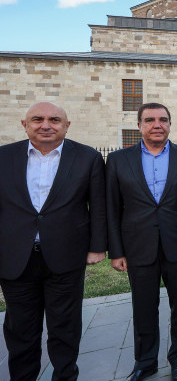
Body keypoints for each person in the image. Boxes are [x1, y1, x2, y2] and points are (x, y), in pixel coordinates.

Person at [0, 101, 107, 381]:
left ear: (66, 125)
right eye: (37, 119)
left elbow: (97, 205)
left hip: (66, 256)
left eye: (54, 120)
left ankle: (65, 376)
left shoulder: (87, 157)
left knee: (65, 328)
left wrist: (97, 246)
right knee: (20, 330)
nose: (46, 125)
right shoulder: (3, 157)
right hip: (15, 258)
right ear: (24, 125)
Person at [106, 103, 177, 381]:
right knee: (143, 308)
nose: (157, 124)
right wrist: (116, 251)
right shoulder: (118, 160)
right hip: (138, 247)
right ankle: (145, 362)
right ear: (139, 126)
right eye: (150, 120)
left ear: (170, 124)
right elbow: (112, 208)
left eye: (163, 120)